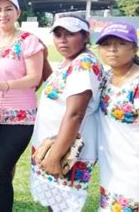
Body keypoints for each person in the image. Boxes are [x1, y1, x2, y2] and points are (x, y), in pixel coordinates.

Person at [0, 0, 44, 211]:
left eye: (8, 9)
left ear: (18, 13)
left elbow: (35, 77)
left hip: (19, 118)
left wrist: (4, 85)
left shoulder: (28, 41)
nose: (2, 14)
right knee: (1, 172)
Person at [30, 15, 103, 211]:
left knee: (62, 206)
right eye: (58, 34)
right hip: (53, 145)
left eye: (70, 34)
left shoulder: (83, 64)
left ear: (86, 36)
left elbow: (75, 114)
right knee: (55, 205)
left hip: (66, 150)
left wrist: (55, 156)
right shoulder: (70, 61)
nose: (62, 40)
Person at [96, 22, 139, 212]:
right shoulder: (105, 77)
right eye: (106, 44)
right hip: (112, 171)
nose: (112, 49)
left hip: (136, 175)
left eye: (121, 43)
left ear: (135, 48)